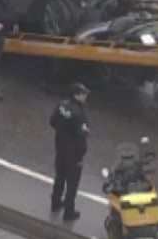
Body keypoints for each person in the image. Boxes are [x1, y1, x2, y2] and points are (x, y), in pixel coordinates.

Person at [50, 82, 91, 222]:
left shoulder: (62, 104)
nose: (86, 96)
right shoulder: (79, 113)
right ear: (77, 95)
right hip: (73, 153)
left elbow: (52, 122)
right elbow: (83, 134)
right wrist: (82, 152)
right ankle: (69, 212)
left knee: (59, 176)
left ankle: (55, 203)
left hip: (60, 147)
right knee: (72, 184)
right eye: (83, 94)